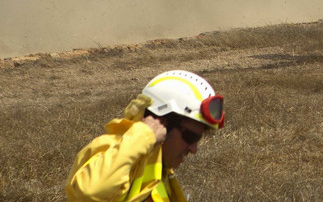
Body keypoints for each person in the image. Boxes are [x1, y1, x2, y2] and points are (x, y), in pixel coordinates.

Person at [66, 70, 225, 202]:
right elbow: (88, 193)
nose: (194, 149)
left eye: (198, 139)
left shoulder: (159, 171)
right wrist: (143, 135)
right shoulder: (113, 150)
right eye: (190, 137)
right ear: (161, 123)